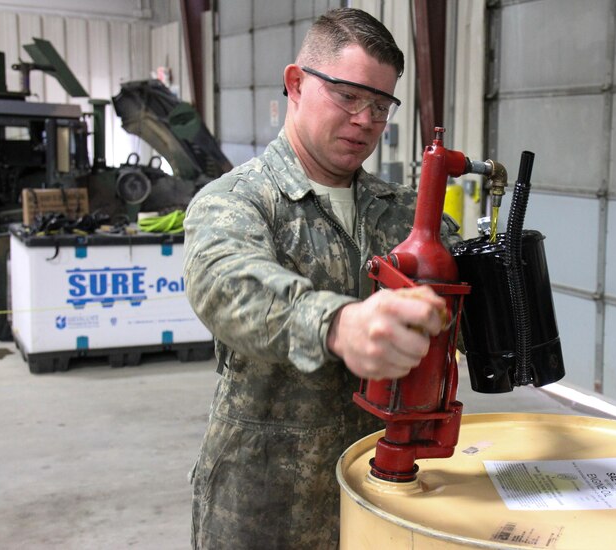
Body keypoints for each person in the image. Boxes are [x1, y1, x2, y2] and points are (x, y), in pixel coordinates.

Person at [183, 8, 458, 549]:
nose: (365, 120)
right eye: (349, 96)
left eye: (381, 105)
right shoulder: (238, 200)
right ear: (296, 84)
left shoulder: (406, 215)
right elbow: (227, 285)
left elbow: (468, 314)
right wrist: (336, 324)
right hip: (265, 509)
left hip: (387, 496)